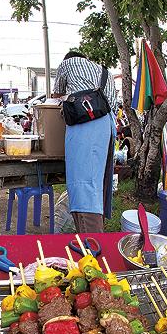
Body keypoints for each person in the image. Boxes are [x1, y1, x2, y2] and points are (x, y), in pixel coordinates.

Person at [54, 51, 119, 234]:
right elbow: (112, 105)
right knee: (97, 187)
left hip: (84, 127)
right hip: (106, 129)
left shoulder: (68, 63)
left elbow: (56, 94)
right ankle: (95, 238)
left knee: (83, 187)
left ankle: (92, 244)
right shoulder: (105, 73)